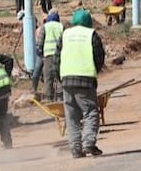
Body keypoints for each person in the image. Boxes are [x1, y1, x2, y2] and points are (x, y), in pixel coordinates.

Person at [59, 9, 106, 158]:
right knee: (91, 112)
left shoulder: (65, 35)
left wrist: (59, 78)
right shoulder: (91, 35)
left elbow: (56, 58)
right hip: (85, 79)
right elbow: (99, 56)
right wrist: (94, 72)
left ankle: (75, 148)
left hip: (66, 79)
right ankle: (88, 144)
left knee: (71, 115)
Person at [31, 11, 64, 102]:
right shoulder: (61, 26)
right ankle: (61, 98)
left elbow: (40, 42)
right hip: (60, 55)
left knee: (48, 78)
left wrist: (40, 53)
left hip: (48, 56)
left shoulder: (45, 27)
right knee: (59, 77)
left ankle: (49, 99)